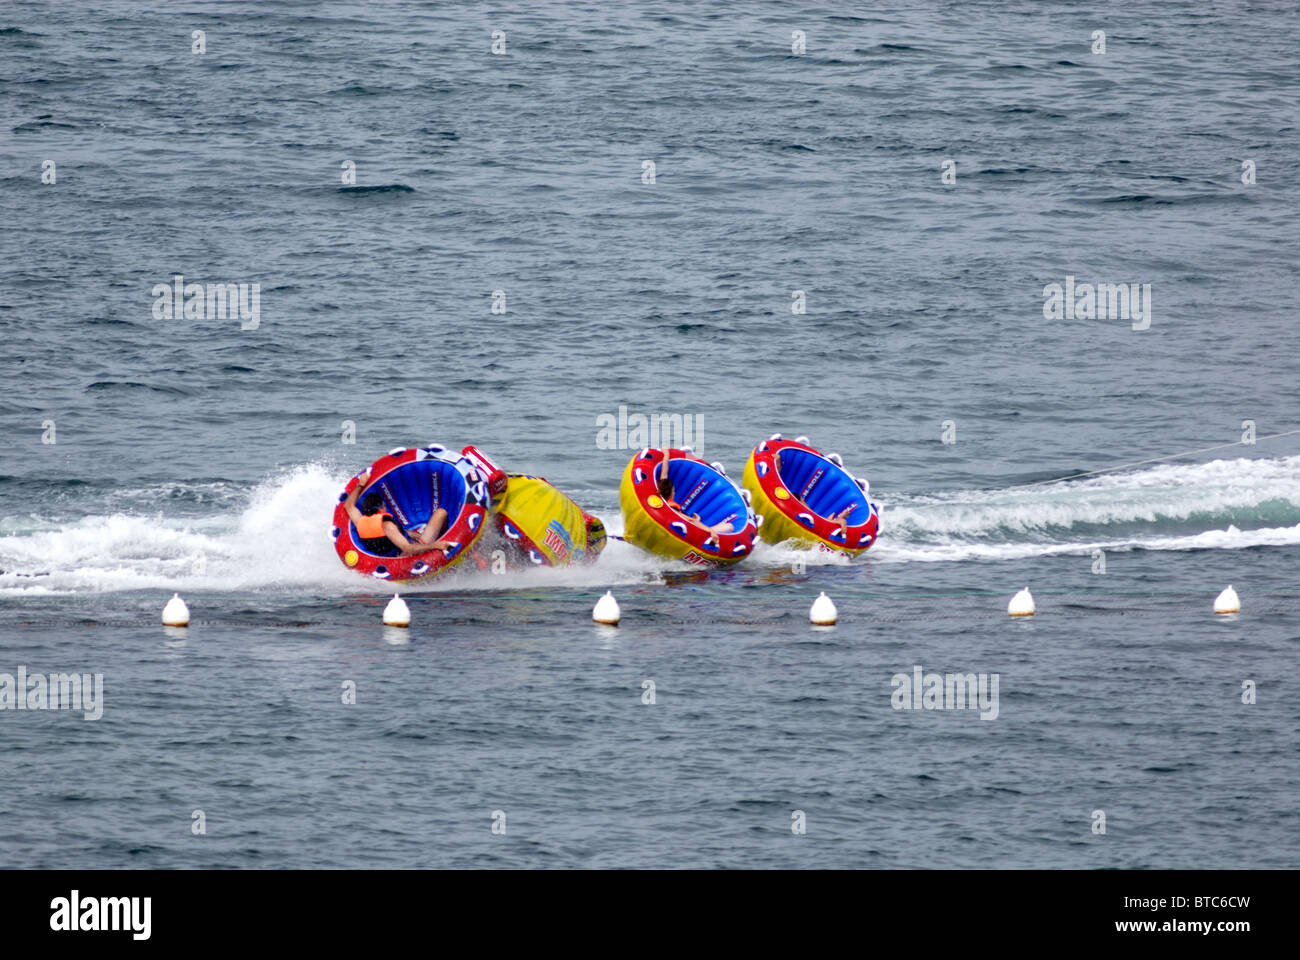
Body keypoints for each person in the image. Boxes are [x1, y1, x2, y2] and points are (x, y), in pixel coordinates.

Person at [343, 468, 452, 556]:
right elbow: (409, 549)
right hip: (406, 556)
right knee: (441, 513)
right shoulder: (387, 525)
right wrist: (436, 545)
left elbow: (348, 506)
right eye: (384, 506)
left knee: (413, 534)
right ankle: (444, 536)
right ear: (381, 509)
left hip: (388, 557)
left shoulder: (361, 522)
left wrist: (360, 485)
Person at [658, 469, 733, 536]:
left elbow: (664, 475)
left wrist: (666, 456)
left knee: (723, 526)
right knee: (729, 526)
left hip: (687, 526)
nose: (674, 493)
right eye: (673, 491)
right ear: (670, 493)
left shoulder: (662, 499)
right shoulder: (672, 508)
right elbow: (690, 520)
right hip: (692, 533)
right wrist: (710, 531)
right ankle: (711, 531)